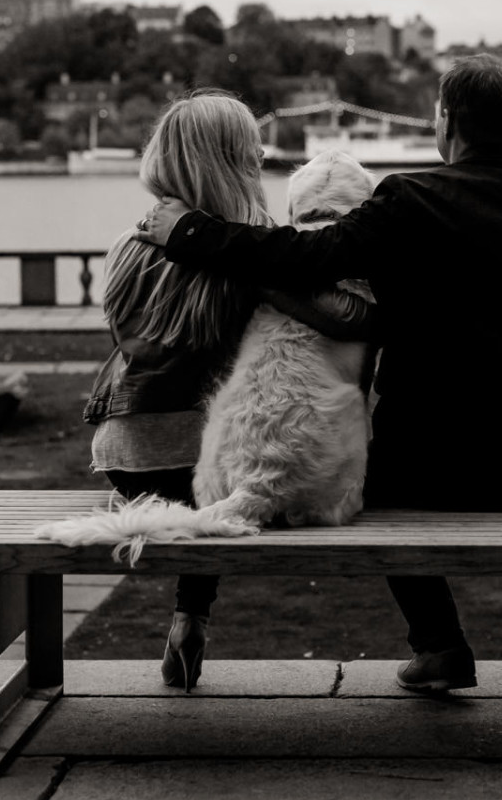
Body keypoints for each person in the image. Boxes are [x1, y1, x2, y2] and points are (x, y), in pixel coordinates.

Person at [138, 56, 502, 701]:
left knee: (375, 479)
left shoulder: (411, 199)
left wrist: (190, 231)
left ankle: (441, 647)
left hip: (432, 465)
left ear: (444, 119)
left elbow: (307, 256)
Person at [86, 91, 373, 690]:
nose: (260, 157)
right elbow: (346, 318)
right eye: (249, 153)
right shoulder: (247, 248)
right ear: (225, 162)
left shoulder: (127, 245)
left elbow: (127, 340)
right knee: (225, 466)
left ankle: (190, 619)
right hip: (193, 449)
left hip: (122, 450)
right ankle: (190, 615)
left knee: (206, 482)